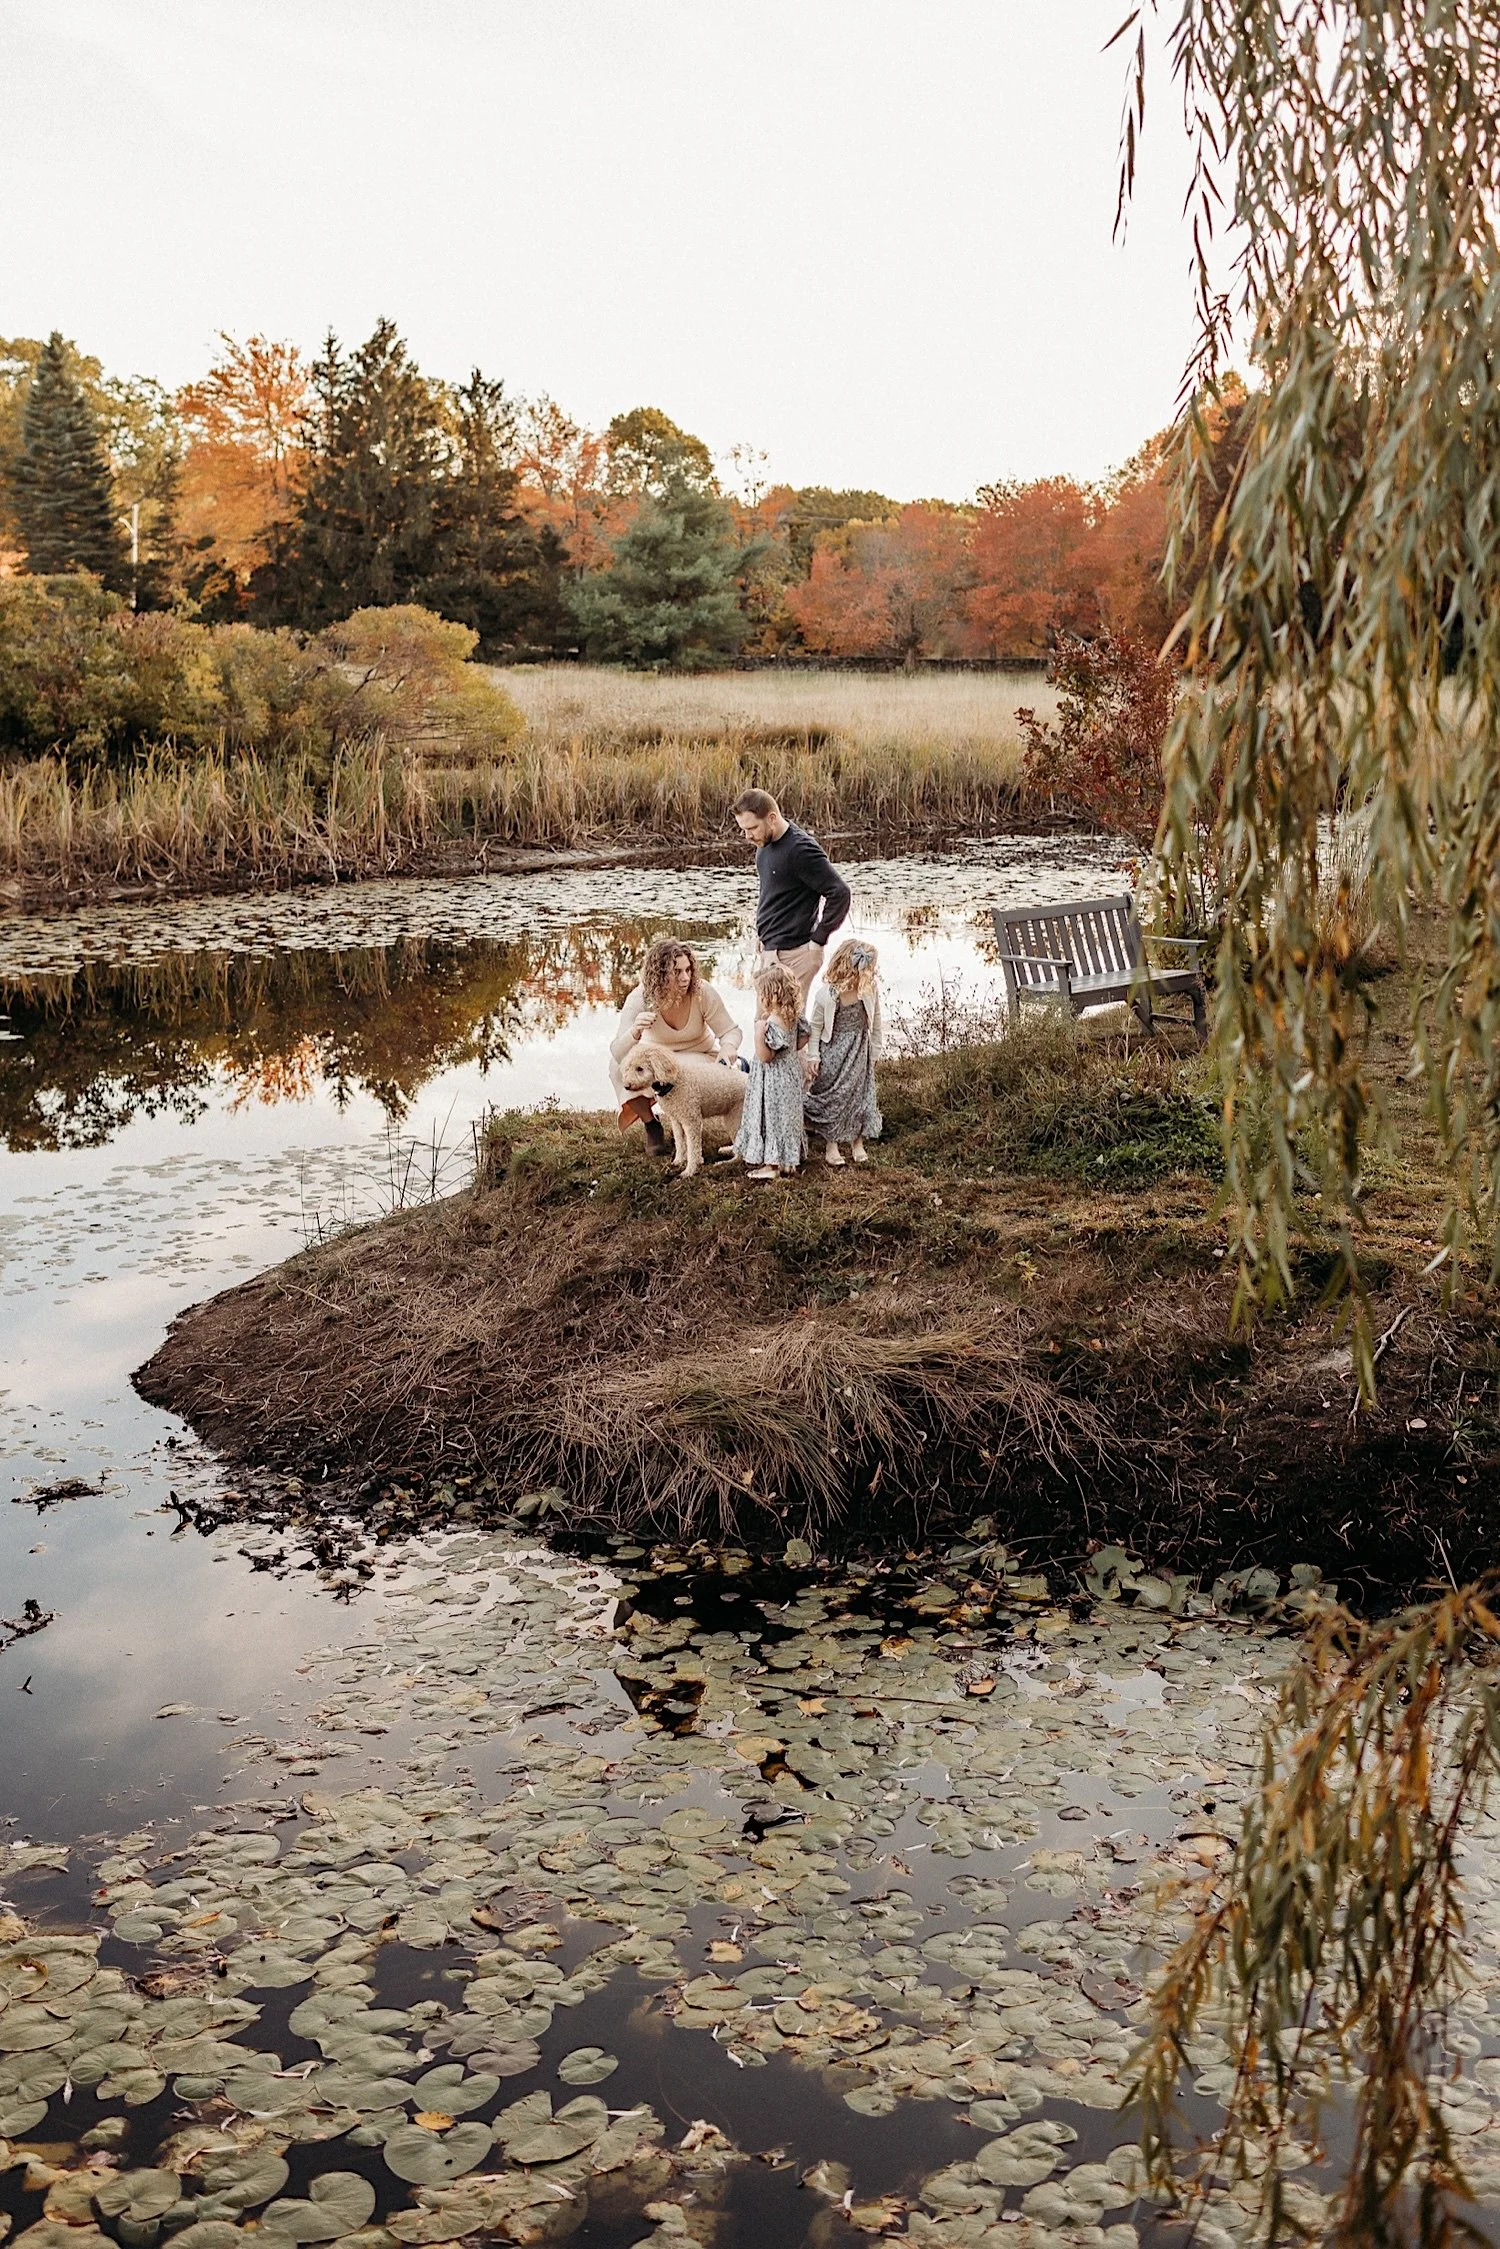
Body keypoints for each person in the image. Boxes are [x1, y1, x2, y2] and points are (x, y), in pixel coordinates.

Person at [610, 936, 742, 1155]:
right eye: (677, 972)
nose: (685, 978)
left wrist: (728, 1052)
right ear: (660, 974)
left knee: (681, 1073)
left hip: (699, 1056)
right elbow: (617, 1051)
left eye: (688, 970)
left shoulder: (702, 992)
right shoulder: (640, 997)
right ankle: (651, 1125)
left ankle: (685, 1126)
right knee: (617, 1069)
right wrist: (634, 1031)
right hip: (657, 1062)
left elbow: (730, 1031)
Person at [732, 789, 851, 1009]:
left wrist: (819, 939)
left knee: (783, 1028)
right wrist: (763, 933)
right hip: (772, 949)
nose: (747, 836)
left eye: (751, 828)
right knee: (766, 1025)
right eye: (743, 830)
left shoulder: (801, 850)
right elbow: (773, 893)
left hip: (796, 953)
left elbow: (840, 893)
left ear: (772, 818)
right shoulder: (764, 845)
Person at [804, 939, 883, 1167]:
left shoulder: (869, 989)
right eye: (869, 967)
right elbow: (815, 1027)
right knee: (835, 1096)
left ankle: (857, 1142)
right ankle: (832, 1144)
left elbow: (876, 1021)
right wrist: (813, 1055)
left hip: (859, 1050)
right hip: (833, 1051)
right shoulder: (827, 995)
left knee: (859, 1095)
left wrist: (874, 1051)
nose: (872, 971)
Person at [734, 963, 809, 1180]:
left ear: (770, 995)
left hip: (773, 1082)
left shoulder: (772, 1022)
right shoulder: (793, 1016)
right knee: (787, 1117)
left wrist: (758, 1034)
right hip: (790, 1075)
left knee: (772, 1118)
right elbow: (804, 1037)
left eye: (760, 994)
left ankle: (771, 1166)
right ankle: (788, 1160)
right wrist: (789, 1052)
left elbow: (766, 1056)